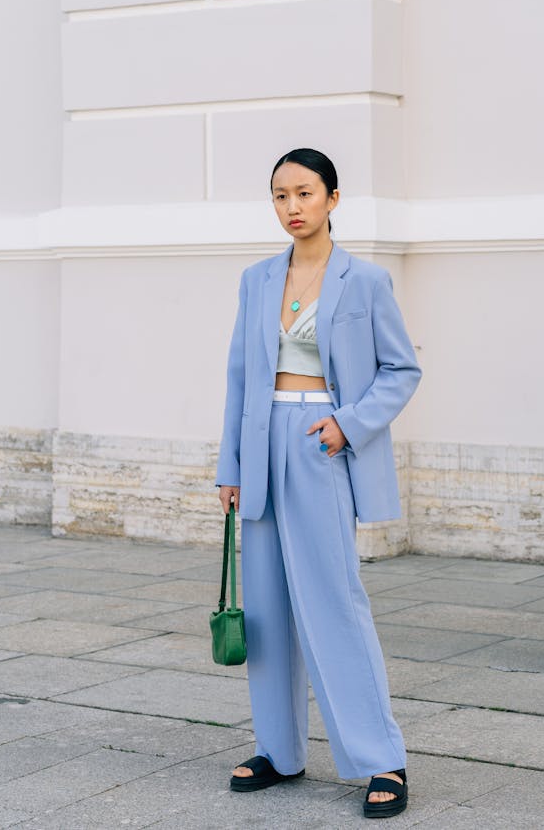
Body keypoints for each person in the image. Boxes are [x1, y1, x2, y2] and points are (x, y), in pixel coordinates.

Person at [215, 148, 419, 819]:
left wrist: (347, 424)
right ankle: (278, 748)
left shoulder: (364, 281)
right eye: (280, 195)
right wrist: (231, 466)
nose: (292, 206)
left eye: (304, 192)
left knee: (334, 600)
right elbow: (241, 378)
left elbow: (401, 369)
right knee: (267, 608)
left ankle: (378, 757)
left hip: (319, 441)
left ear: (333, 197)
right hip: (261, 442)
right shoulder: (256, 279)